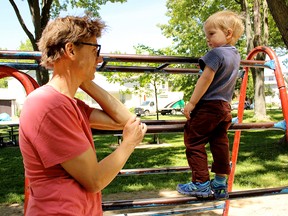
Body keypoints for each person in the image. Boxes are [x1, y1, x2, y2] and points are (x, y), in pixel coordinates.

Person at [19, 15, 147, 215]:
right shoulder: (47, 105)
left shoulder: (70, 104)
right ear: (71, 50)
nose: (100, 58)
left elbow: (126, 121)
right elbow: (94, 180)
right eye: (95, 50)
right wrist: (128, 144)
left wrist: (84, 80)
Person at [176, 10, 244, 199]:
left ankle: (201, 183)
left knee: (193, 140)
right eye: (207, 35)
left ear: (228, 33)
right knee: (220, 142)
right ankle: (220, 183)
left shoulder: (216, 54)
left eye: (212, 34)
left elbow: (205, 79)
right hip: (224, 107)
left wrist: (191, 102)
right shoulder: (235, 55)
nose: (208, 39)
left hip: (208, 106)